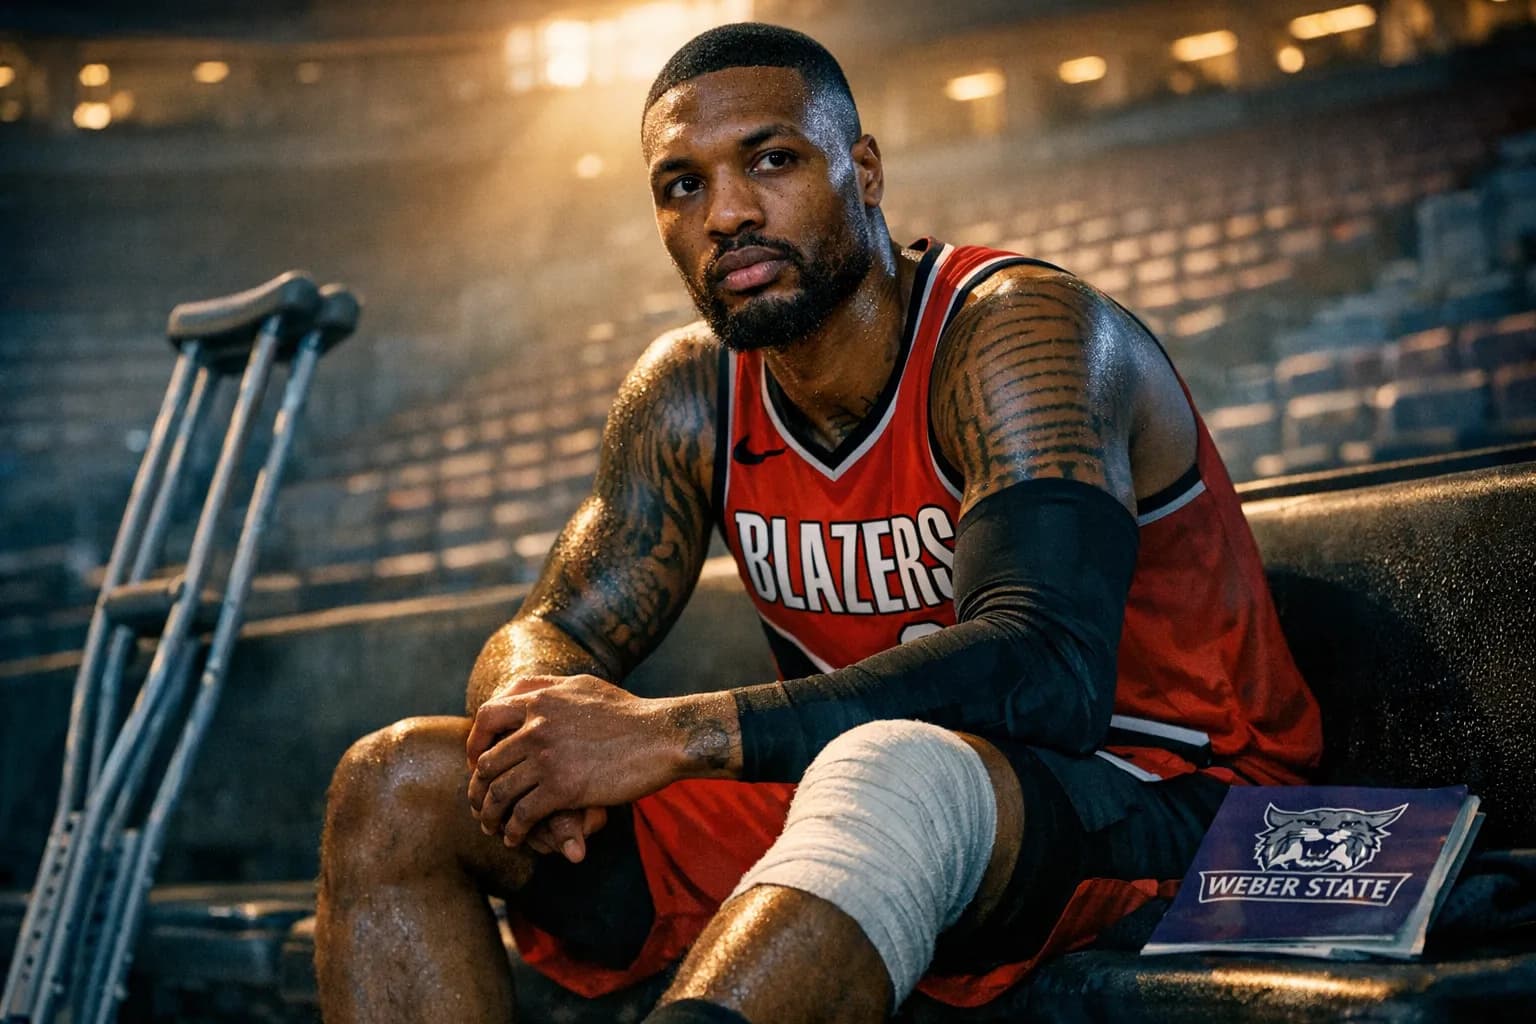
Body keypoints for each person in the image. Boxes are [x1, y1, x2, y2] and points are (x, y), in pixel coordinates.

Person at [315, 22, 1322, 1024]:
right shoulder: (690, 393)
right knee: (397, 781)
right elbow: (556, 627)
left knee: (891, 763)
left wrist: (674, 733)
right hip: (864, 812)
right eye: (683, 185)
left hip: (1168, 798)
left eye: (771, 161)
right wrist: (538, 736)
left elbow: (1049, 670)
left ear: (864, 169)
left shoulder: (1014, 332)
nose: (729, 213)